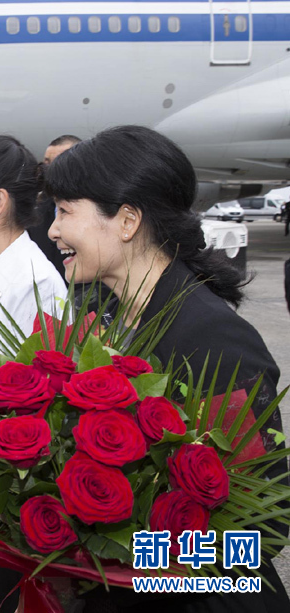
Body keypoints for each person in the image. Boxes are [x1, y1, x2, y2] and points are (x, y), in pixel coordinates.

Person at [44, 125, 290, 612]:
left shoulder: (214, 341)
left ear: (127, 221)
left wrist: (127, 556)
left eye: (65, 211)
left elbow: (265, 524)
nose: (52, 230)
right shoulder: (104, 317)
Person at [29, 134, 82, 280]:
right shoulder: (34, 217)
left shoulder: (97, 214)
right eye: (47, 163)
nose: (51, 171)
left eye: (59, 163)